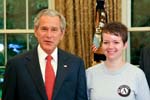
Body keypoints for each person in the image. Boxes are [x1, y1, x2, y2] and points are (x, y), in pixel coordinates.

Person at [2, 9, 88, 100]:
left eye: (54, 30)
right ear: (35, 31)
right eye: (44, 29)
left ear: (62, 34)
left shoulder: (76, 64)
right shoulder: (16, 65)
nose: (49, 35)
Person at [86, 22, 150, 100]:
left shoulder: (137, 74)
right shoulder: (89, 74)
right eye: (106, 42)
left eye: (116, 42)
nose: (110, 47)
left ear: (125, 45)